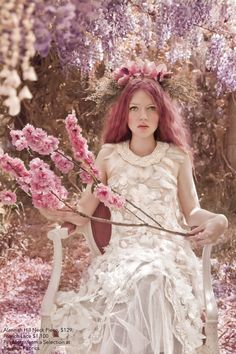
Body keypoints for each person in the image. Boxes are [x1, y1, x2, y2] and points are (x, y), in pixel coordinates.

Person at [41, 61, 228, 354]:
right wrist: (51, 207)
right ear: (123, 113)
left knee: (155, 278)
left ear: (162, 113)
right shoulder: (108, 156)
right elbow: (83, 211)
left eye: (152, 108)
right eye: (135, 108)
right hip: (122, 255)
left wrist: (219, 220)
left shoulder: (177, 156)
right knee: (141, 281)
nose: (143, 116)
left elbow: (192, 211)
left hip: (168, 253)